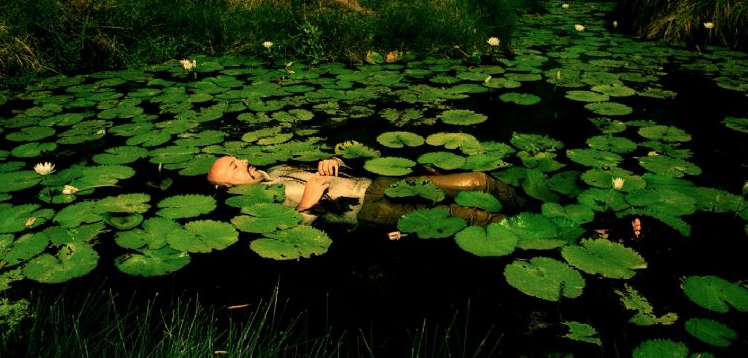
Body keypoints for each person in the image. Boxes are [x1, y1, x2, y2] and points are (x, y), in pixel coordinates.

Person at [206, 155, 526, 229]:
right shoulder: (253, 210)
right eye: (235, 167)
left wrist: (336, 162)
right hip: (368, 211)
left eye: (237, 159)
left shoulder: (275, 170)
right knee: (472, 216)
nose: (244, 160)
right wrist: (307, 205)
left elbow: (335, 171)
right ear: (227, 188)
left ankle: (530, 208)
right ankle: (531, 234)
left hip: (375, 184)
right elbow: (291, 237)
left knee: (479, 180)